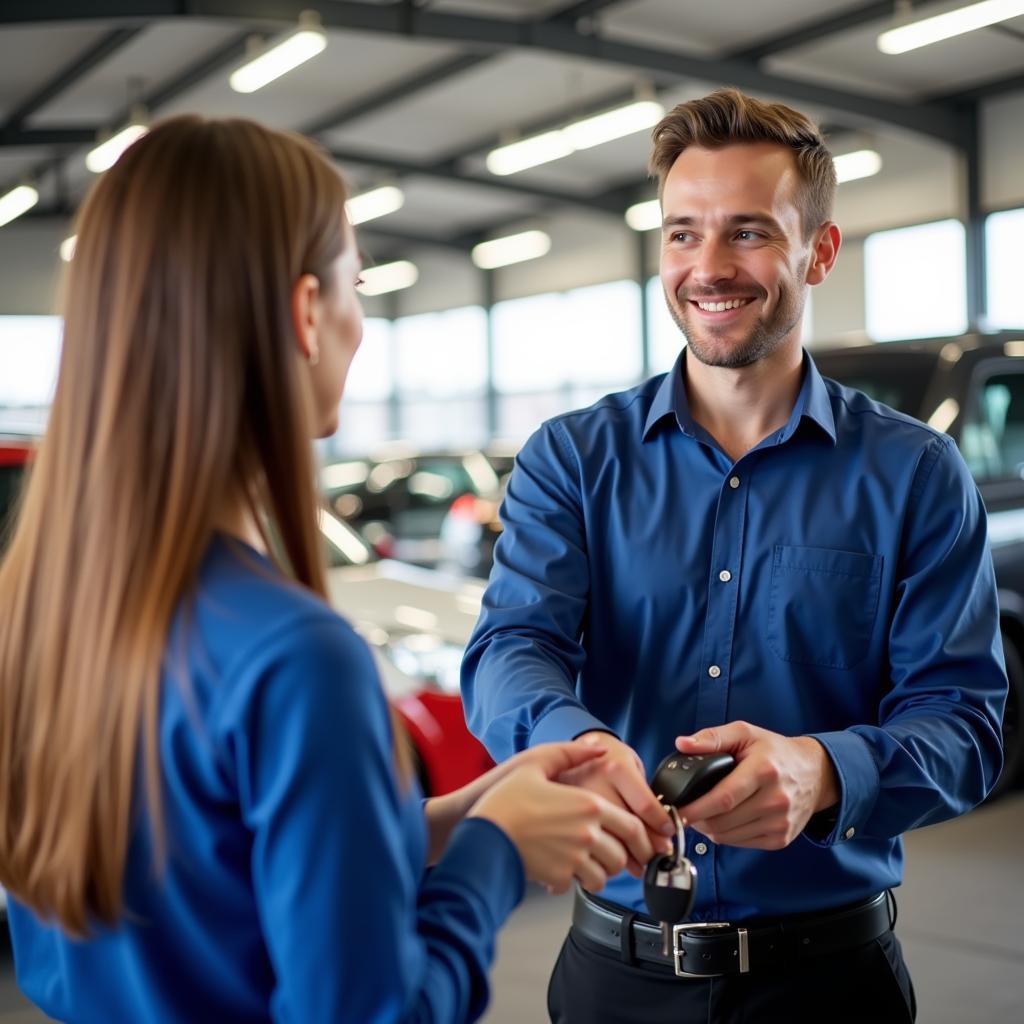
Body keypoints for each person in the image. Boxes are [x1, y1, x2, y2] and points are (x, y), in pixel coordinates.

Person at [0, 115, 665, 1023]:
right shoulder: (294, 656)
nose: (360, 323)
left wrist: (452, 817)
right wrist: (494, 856)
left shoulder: (39, 613)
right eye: (356, 283)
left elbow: (212, 876)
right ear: (305, 313)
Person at [461, 87, 1007, 1023]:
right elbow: (511, 648)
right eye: (682, 234)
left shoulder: (915, 474)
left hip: (830, 981)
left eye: (748, 232)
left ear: (818, 251)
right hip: (613, 977)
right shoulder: (573, 458)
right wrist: (579, 746)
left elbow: (965, 723)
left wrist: (825, 772)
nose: (707, 267)